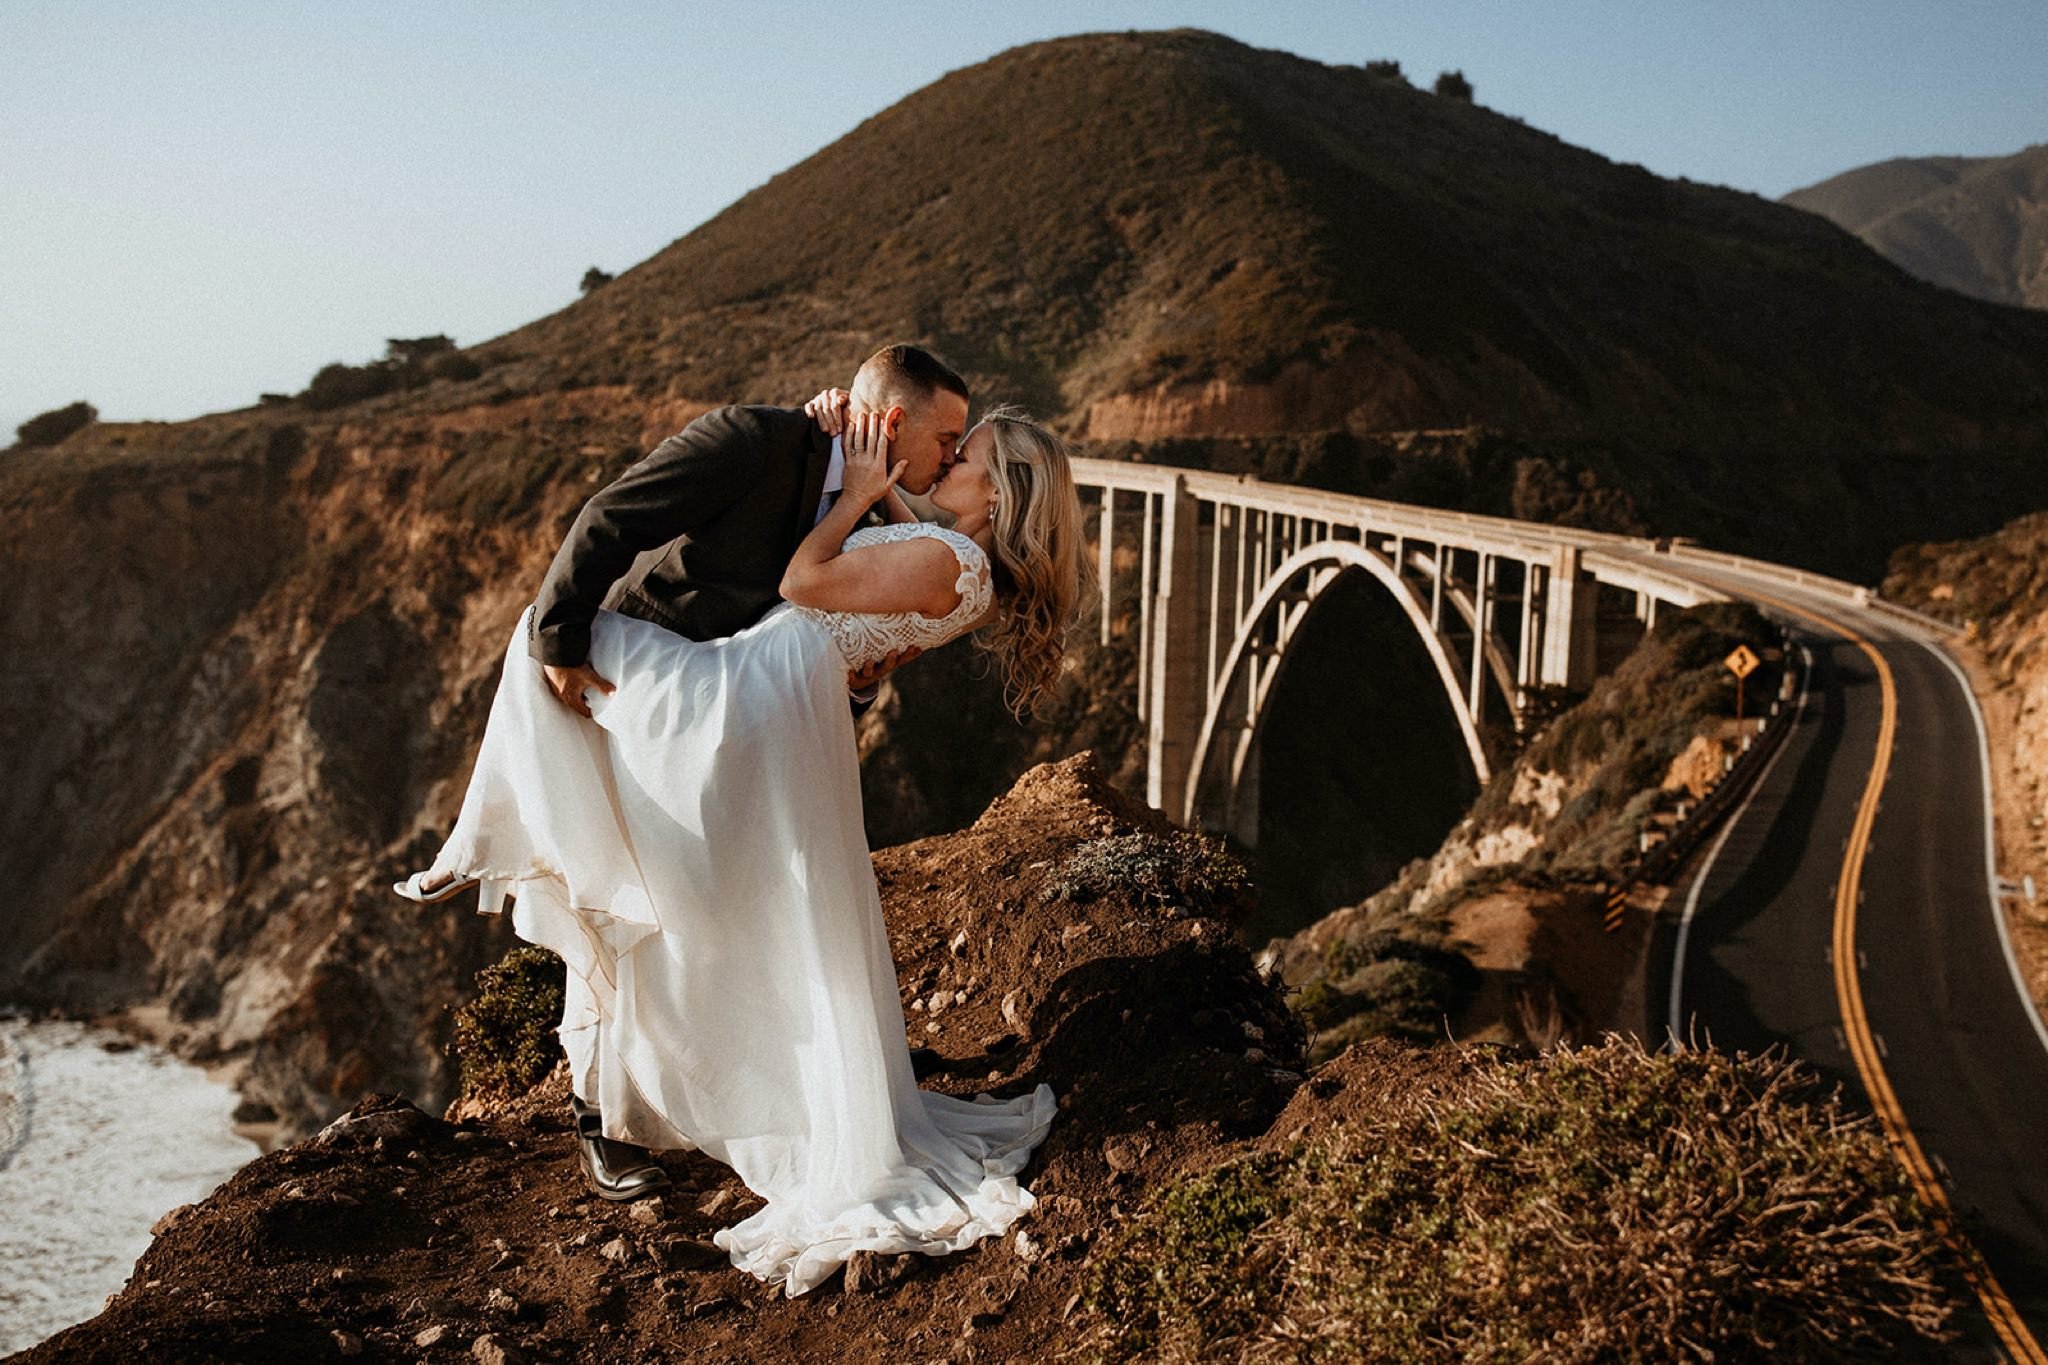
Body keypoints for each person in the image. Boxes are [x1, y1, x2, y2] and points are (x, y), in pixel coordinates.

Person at [396, 381, 1090, 1297]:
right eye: (951, 440)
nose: (951, 459)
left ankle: (611, 1067)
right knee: (702, 895)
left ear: (998, 495)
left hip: (746, 699)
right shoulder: (948, 550)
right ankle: (625, 1086)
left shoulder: (954, 560)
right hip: (776, 697)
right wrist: (856, 472)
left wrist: (850, 498)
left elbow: (806, 583)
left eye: (969, 454)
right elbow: (863, 630)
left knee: (651, 856)